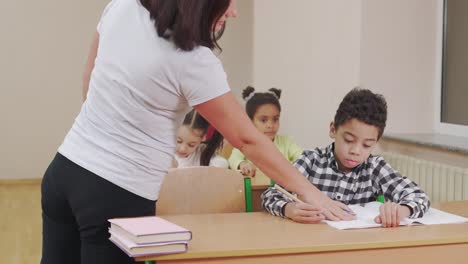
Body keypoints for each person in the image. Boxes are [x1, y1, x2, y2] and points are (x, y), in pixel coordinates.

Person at [41, 1, 354, 263]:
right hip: (117, 193)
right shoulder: (193, 60)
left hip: (64, 170)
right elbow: (247, 139)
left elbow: (89, 78)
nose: (234, 12)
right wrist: (311, 193)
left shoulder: (123, 5)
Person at [261, 88, 431, 227]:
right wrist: (289, 209)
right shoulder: (311, 161)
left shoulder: (374, 167)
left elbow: (418, 196)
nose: (356, 151)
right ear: (333, 129)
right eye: (349, 140)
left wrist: (402, 210)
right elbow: (271, 195)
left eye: (367, 145)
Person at [228, 86, 303, 177]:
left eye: (275, 119)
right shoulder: (246, 143)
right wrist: (243, 164)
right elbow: (233, 159)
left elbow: (302, 157)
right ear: (251, 121)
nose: (270, 125)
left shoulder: (286, 142)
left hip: (281, 189)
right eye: (263, 120)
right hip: (255, 189)